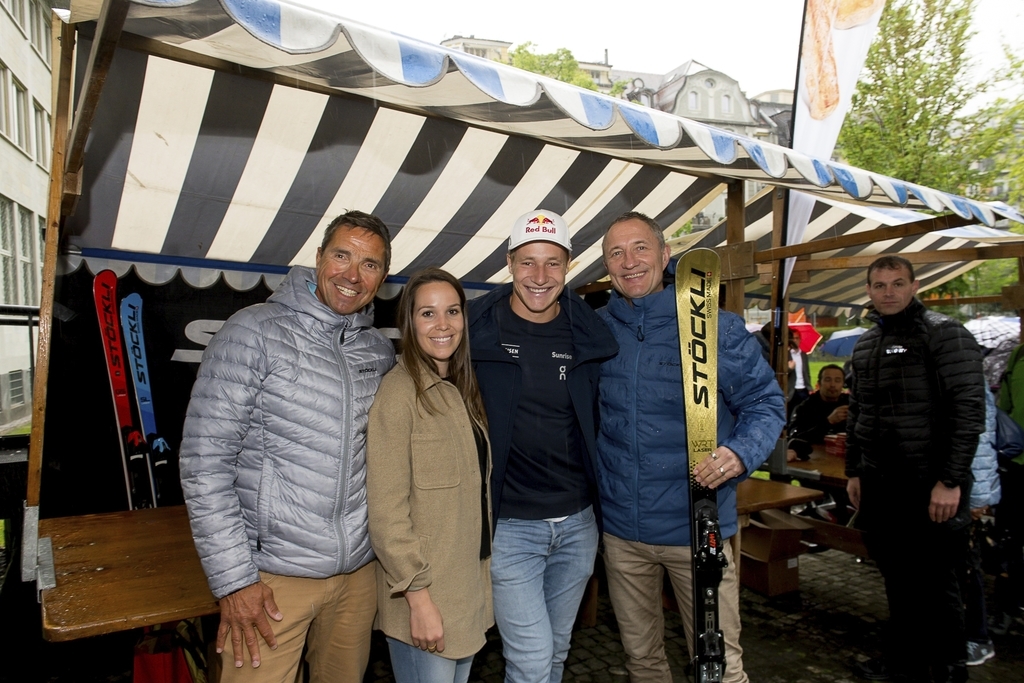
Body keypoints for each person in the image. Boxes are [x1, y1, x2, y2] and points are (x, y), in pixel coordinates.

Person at [179, 210, 395, 682]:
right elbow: (204, 463)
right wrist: (235, 579)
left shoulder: (377, 352)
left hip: (357, 575)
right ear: (318, 259)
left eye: (370, 264)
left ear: (382, 278)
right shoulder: (252, 331)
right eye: (342, 255)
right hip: (272, 581)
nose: (352, 275)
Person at [596, 211, 786, 683]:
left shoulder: (715, 328)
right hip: (623, 533)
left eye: (640, 247)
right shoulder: (595, 331)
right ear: (606, 266)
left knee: (718, 667)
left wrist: (740, 452)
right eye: (615, 253)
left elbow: (766, 404)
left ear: (665, 256)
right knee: (642, 661)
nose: (629, 261)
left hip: (695, 527)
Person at [468, 209, 618, 683]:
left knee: (555, 653)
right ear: (509, 263)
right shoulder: (472, 330)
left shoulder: (590, 334)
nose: (539, 276)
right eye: (528, 262)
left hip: (577, 526)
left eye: (552, 263)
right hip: (511, 527)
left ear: (569, 266)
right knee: (531, 660)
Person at [846, 255, 985, 683]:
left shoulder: (944, 335)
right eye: (879, 284)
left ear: (914, 285)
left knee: (938, 584)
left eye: (897, 283)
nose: (888, 292)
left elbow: (969, 412)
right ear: (868, 290)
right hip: (882, 485)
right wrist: (855, 470)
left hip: (931, 486)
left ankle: (948, 669)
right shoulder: (866, 344)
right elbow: (858, 413)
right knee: (898, 581)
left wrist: (950, 481)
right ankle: (904, 663)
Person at [366, 268, 493, 683]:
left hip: (465, 594)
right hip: (425, 598)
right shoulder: (398, 394)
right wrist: (419, 601)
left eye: (452, 311)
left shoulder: (461, 391)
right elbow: (386, 513)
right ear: (409, 322)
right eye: (427, 313)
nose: (443, 324)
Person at [961, 390, 1000, 666]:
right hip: (941, 484)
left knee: (965, 564)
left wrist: (979, 498)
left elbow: (982, 439)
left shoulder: (968, 376)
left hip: (965, 489)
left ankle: (978, 637)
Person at [786, 364, 849, 462]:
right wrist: (828, 422)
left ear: (843, 385)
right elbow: (795, 436)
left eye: (837, 380)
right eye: (828, 380)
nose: (833, 385)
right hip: (814, 457)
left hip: (843, 457)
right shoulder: (806, 407)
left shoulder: (849, 404)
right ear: (819, 384)